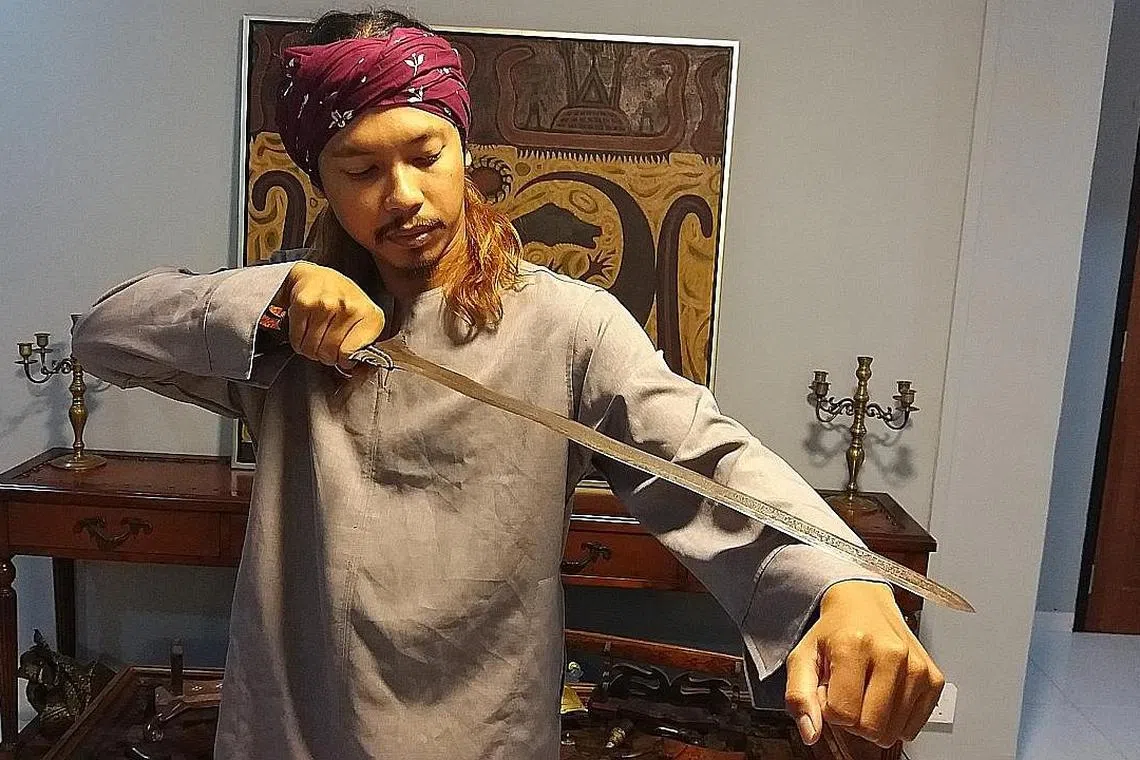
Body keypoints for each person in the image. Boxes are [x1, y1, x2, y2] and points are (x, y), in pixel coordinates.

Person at [72, 9, 944, 760]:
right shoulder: (286, 330)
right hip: (297, 727)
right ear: (321, 180)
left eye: (426, 154)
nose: (403, 195)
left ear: (464, 146)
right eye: (361, 170)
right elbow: (105, 335)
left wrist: (842, 582)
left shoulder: (569, 326)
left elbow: (705, 462)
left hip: (483, 729)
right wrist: (273, 295)